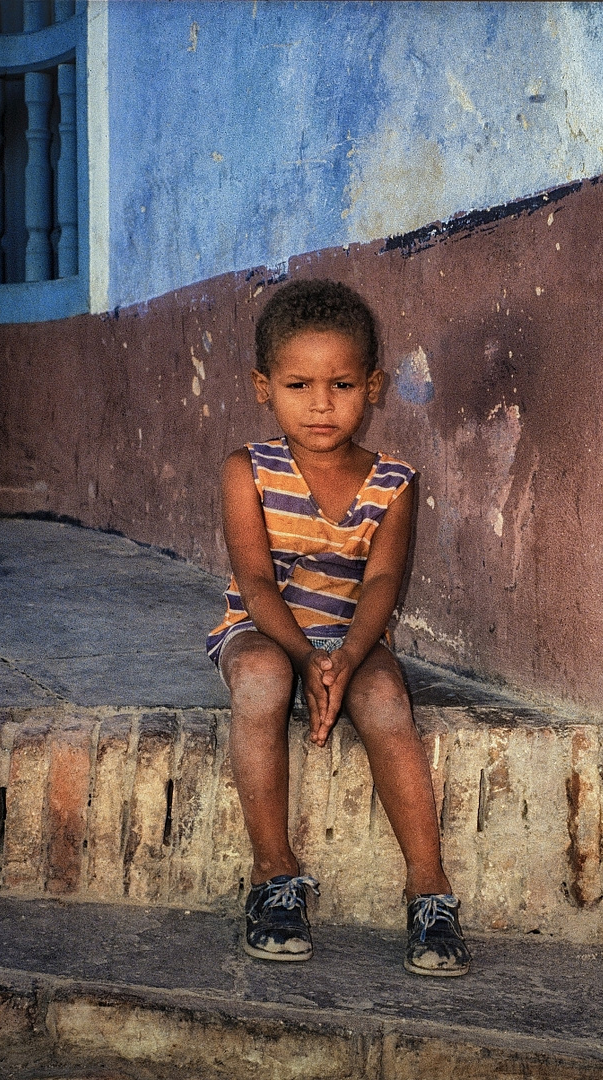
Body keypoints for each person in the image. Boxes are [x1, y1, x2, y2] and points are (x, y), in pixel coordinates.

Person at [206, 278, 470, 977]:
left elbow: (382, 582)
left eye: (342, 384)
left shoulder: (393, 482)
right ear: (264, 387)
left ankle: (429, 891)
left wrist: (348, 657)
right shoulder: (247, 471)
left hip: (354, 635)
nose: (321, 404)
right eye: (298, 385)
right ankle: (273, 879)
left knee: (385, 701)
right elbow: (256, 583)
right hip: (266, 630)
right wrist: (301, 658)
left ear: (374, 386)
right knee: (261, 680)